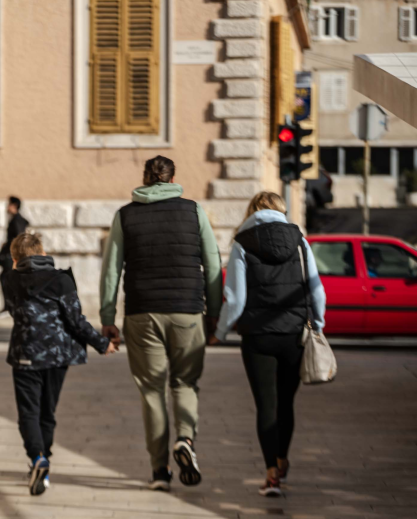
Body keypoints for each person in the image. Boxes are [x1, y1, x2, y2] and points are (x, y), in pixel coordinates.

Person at [98, 156, 223, 492]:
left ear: (146, 178)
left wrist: (108, 319)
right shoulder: (194, 212)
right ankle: (185, 439)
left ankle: (159, 471)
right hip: (188, 312)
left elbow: (111, 270)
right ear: (172, 178)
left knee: (151, 391)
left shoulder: (125, 215)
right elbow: (212, 266)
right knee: (185, 383)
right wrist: (213, 315)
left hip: (142, 314)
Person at [210, 191, 326, 497]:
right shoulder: (299, 240)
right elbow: (317, 289)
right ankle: (282, 458)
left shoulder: (242, 242)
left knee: (266, 405)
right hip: (294, 335)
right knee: (286, 403)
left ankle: (271, 474)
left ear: (252, 210)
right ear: (281, 210)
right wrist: (319, 325)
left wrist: (220, 332)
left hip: (257, 337)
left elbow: (235, 298)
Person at [6, 232, 116, 495]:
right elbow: (76, 321)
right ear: (43, 253)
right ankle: (45, 462)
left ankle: (37, 459)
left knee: (28, 412)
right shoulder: (62, 280)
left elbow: (13, 310)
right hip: (57, 356)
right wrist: (102, 344)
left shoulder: (10, 280)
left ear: (16, 257)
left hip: (25, 354)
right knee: (47, 411)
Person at [0, 196, 30, 315]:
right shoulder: (16, 220)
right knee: (7, 279)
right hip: (13, 255)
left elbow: (18, 239)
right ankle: (10, 306)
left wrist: (8, 248)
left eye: (9, 204)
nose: (7, 207)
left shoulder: (17, 220)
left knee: (8, 280)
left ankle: (10, 307)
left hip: (12, 256)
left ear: (14, 205)